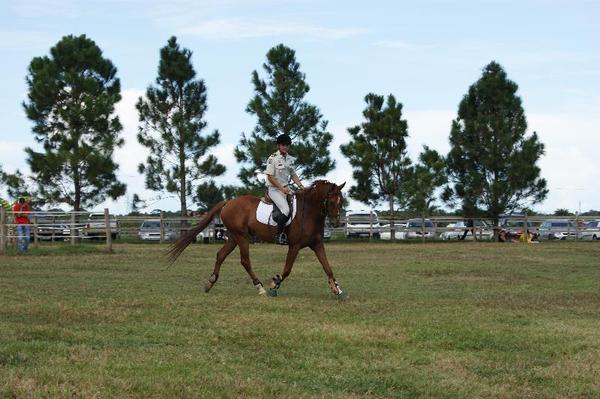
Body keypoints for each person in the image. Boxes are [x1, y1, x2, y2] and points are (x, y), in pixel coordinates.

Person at [265, 134, 304, 244]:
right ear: (278, 145)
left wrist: (301, 187)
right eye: (283, 145)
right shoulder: (272, 158)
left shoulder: (290, 159)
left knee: (299, 204)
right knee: (286, 210)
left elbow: (293, 175)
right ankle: (279, 236)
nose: (285, 147)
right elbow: (270, 177)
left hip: (286, 188)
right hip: (274, 189)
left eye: (287, 145)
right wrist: (282, 189)